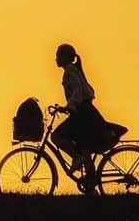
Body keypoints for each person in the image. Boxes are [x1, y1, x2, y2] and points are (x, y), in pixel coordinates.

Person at [50, 43, 124, 179]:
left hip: (82, 113)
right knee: (85, 147)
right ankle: (90, 185)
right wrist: (69, 106)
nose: (55, 59)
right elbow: (87, 91)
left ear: (64, 57)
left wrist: (70, 106)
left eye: (58, 55)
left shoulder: (69, 72)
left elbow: (78, 91)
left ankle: (76, 157)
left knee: (56, 136)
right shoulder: (74, 70)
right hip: (87, 112)